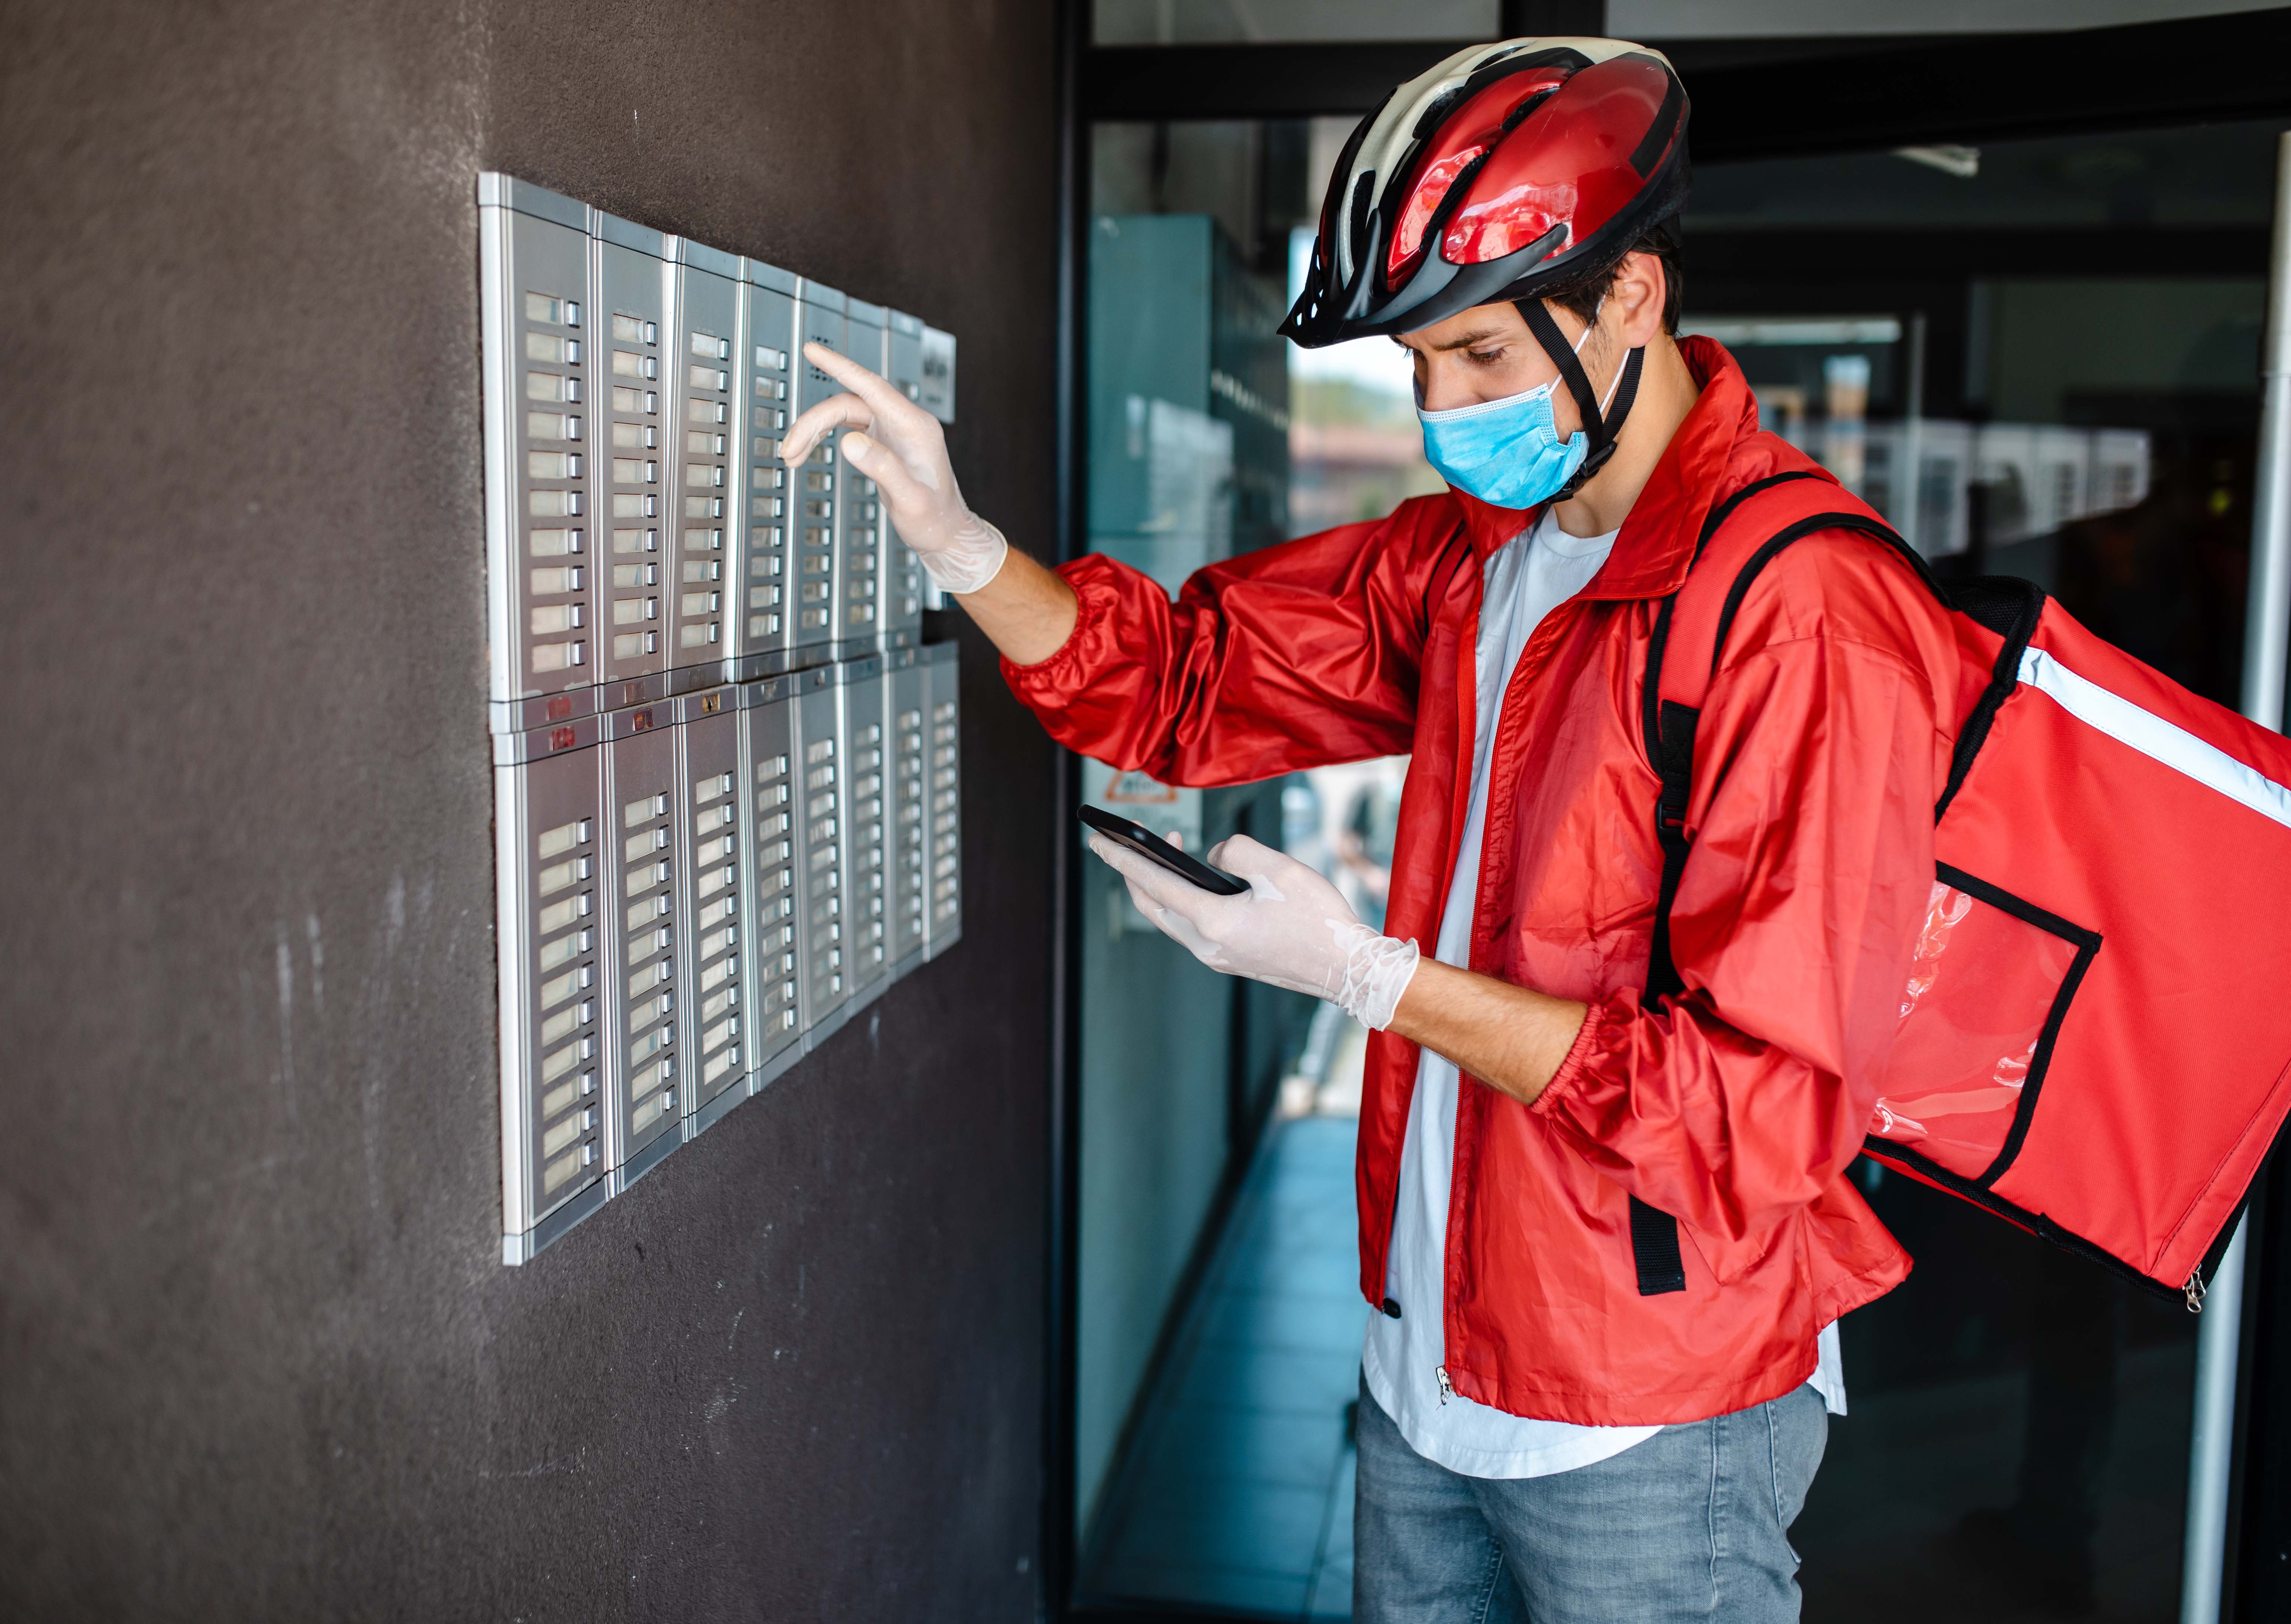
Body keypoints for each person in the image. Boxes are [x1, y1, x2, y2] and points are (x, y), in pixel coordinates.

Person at [786, 36, 1949, 1623]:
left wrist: (1368, 976)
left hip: (1649, 1415)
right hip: (1426, 1362)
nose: (1436, 411)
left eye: (1475, 358)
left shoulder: (1805, 610)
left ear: (1630, 298)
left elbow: (1759, 1114)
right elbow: (1188, 680)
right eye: (1415, 369)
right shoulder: (1477, 557)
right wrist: (962, 539)